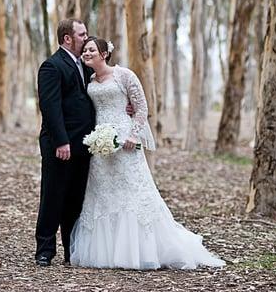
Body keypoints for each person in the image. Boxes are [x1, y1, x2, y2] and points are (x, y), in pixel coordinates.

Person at [70, 37, 225, 270]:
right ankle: (108, 251)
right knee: (103, 191)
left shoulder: (124, 75)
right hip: (100, 142)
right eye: (84, 50)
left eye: (91, 49)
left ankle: (142, 249)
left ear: (104, 54)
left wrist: (133, 134)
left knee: (133, 190)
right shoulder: (89, 79)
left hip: (125, 140)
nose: (86, 53)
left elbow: (142, 107)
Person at [35, 18, 96, 266]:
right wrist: (61, 141)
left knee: (75, 199)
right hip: (60, 145)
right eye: (82, 34)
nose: (86, 38)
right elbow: (50, 108)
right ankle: (45, 250)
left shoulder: (86, 65)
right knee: (53, 195)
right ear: (67, 39)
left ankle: (72, 250)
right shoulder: (52, 66)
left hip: (84, 144)